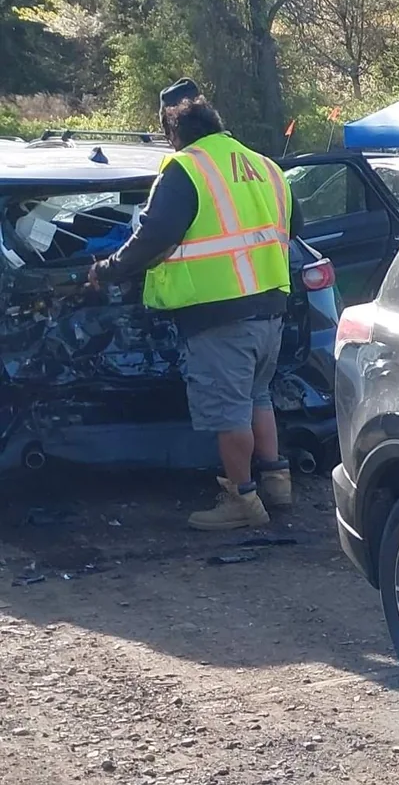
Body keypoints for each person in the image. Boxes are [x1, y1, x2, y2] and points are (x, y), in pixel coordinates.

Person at [88, 79, 297, 530]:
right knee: (257, 397)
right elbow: (290, 230)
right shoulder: (265, 165)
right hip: (271, 306)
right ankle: (277, 482)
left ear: (174, 132)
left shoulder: (186, 168)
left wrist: (108, 270)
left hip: (218, 311)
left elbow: (154, 236)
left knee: (229, 410)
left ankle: (242, 500)